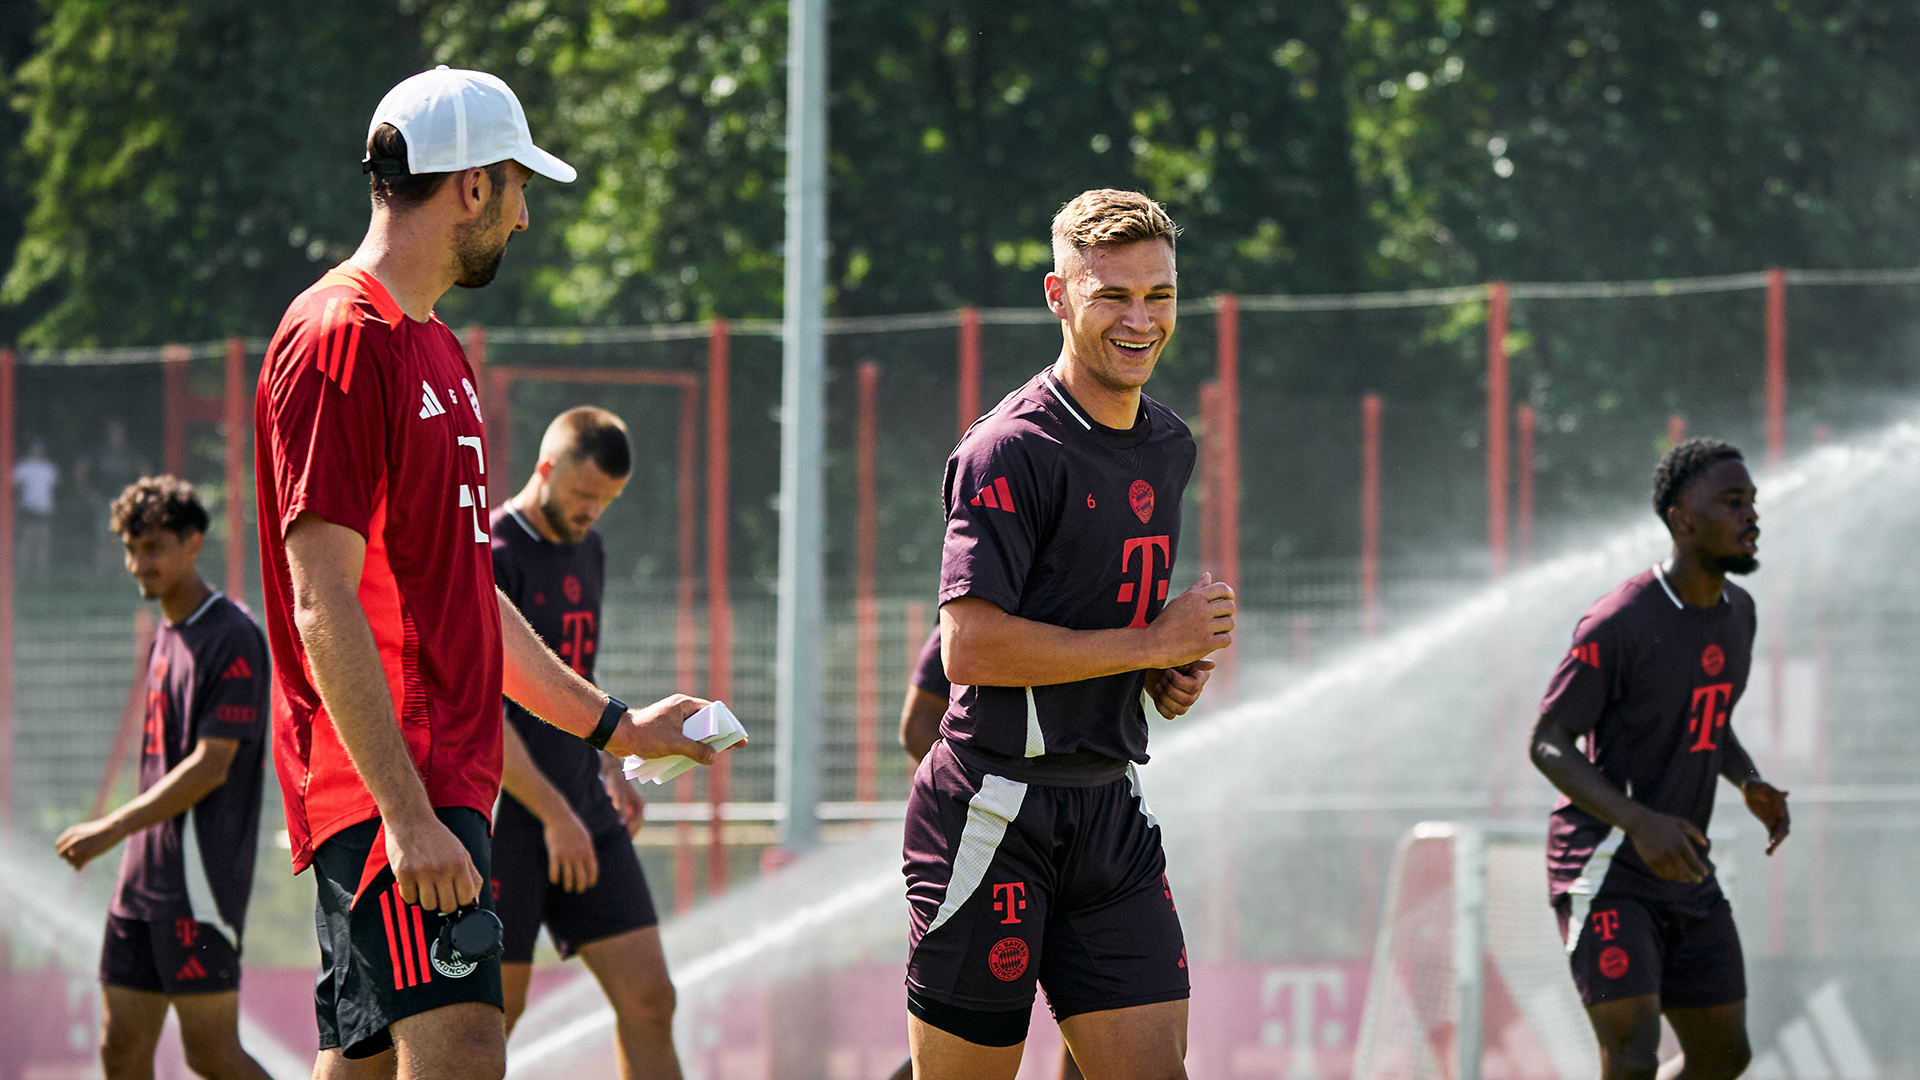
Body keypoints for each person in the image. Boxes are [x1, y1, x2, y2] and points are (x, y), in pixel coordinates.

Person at [254, 66, 722, 1080]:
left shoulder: (437, 352)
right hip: (397, 788)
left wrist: (617, 726)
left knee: (370, 1065)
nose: (522, 219)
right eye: (518, 189)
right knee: (466, 1051)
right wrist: (405, 812)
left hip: (436, 786)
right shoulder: (341, 339)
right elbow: (317, 596)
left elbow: (465, 596)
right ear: (472, 185)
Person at [903, 189, 1233, 1080]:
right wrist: (1149, 646)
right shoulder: (1008, 448)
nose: (1140, 320)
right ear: (1058, 295)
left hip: (1108, 812)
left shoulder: (1169, 442)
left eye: (1159, 295)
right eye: (1112, 296)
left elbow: (1114, 628)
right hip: (993, 810)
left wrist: (1168, 675)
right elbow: (969, 648)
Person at [1529, 438, 1791, 1080]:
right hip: (1607, 860)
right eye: (1731, 502)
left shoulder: (1739, 615)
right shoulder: (1619, 620)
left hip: (1681, 864)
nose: (1749, 516)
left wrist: (1748, 778)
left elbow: (1708, 716)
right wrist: (1639, 821)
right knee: (1631, 1054)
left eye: (1751, 501)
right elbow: (1547, 742)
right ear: (1682, 517)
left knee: (1724, 1057)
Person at [54, 476, 272, 1080]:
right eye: (131, 548)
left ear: (194, 543)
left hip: (197, 885)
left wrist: (109, 828)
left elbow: (211, 765)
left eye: (153, 547)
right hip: (139, 885)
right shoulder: (164, 634)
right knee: (120, 1045)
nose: (138, 564)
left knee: (210, 1054)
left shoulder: (232, 635)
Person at [490, 406, 683, 1079]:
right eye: (581, 497)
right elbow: (482, 716)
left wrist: (610, 764)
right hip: (506, 822)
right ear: (544, 469)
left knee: (651, 999)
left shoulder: (589, 549)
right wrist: (552, 815)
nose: (590, 513)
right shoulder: (490, 555)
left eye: (605, 502)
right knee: (488, 1023)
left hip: (580, 808)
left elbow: (574, 682)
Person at [894, 626, 1084, 1080]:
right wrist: (991, 798)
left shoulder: (1098, 609)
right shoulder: (977, 620)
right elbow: (916, 727)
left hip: (1082, 837)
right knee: (962, 1026)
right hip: (984, 848)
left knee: (1096, 1012)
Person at [13, 437, 57, 575]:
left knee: (42, 544)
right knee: (26, 543)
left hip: (44, 509)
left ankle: (41, 574)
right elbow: (14, 484)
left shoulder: (49, 468)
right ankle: (23, 572)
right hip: (28, 508)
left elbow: (54, 484)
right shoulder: (23, 466)